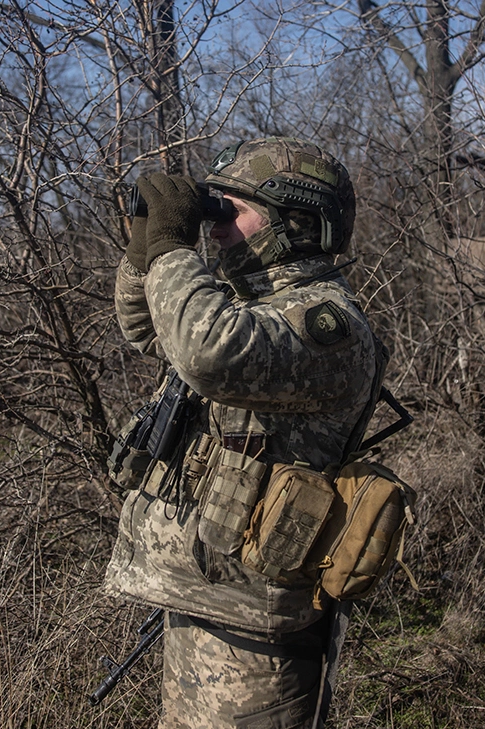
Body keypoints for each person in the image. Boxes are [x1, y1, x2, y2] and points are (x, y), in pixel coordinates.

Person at [103, 137, 386, 728]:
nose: (218, 220)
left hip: (259, 627)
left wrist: (173, 247)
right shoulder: (246, 304)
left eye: (235, 206)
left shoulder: (326, 323)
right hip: (201, 593)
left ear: (297, 220)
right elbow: (144, 327)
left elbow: (206, 352)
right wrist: (146, 249)